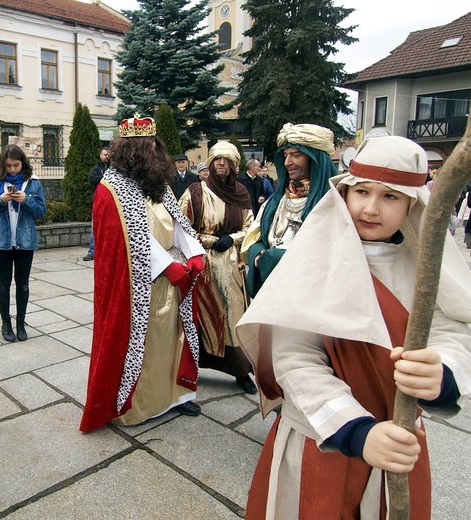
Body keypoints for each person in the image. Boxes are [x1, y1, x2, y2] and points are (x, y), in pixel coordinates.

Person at [236, 136, 471, 518]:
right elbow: (295, 358)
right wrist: (358, 431)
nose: (371, 208)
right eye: (361, 191)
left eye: (391, 196)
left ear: (413, 202)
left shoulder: (427, 268)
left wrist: (443, 371)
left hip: (397, 442)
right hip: (323, 435)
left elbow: (454, 331)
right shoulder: (313, 259)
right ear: (345, 191)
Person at [80, 115, 206, 432]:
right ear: (130, 151)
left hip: (173, 280)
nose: (150, 152)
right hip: (139, 284)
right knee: (145, 344)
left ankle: (177, 396)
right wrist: (167, 266)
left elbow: (178, 222)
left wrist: (194, 253)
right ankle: (139, 405)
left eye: (153, 146)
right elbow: (129, 239)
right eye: (144, 147)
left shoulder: (158, 184)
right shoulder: (111, 189)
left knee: (173, 337)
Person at [178, 142, 257, 394]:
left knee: (234, 316)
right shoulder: (194, 192)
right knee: (198, 316)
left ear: (234, 165)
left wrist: (232, 239)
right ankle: (192, 369)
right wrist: (210, 240)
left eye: (226, 160)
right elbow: (181, 226)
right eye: (216, 160)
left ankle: (240, 371)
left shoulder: (242, 192)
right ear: (210, 164)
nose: (221, 164)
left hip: (231, 266)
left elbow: (250, 227)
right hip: (201, 263)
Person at [241, 123, 337, 298]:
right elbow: (253, 242)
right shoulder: (275, 202)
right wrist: (259, 257)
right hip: (272, 296)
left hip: (312, 300)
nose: (287, 162)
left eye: (296, 155)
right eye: (285, 155)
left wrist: (282, 260)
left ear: (315, 158)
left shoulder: (335, 205)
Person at [0, 144, 46, 343]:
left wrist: (26, 199)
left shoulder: (33, 183)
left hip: (25, 242)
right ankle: (5, 323)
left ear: (23, 163)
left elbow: (41, 212)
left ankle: (20, 323)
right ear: (3, 165)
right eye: (8, 166)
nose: (12, 169)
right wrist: (1, 200)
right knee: (3, 284)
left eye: (16, 165)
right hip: (0, 242)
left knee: (23, 284)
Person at [83, 146, 110, 261]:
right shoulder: (97, 168)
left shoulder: (114, 168)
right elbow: (92, 179)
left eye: (108, 155)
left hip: (110, 203)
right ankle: (92, 252)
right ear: (100, 155)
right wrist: (105, 177)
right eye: (105, 155)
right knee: (94, 228)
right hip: (99, 201)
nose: (107, 157)